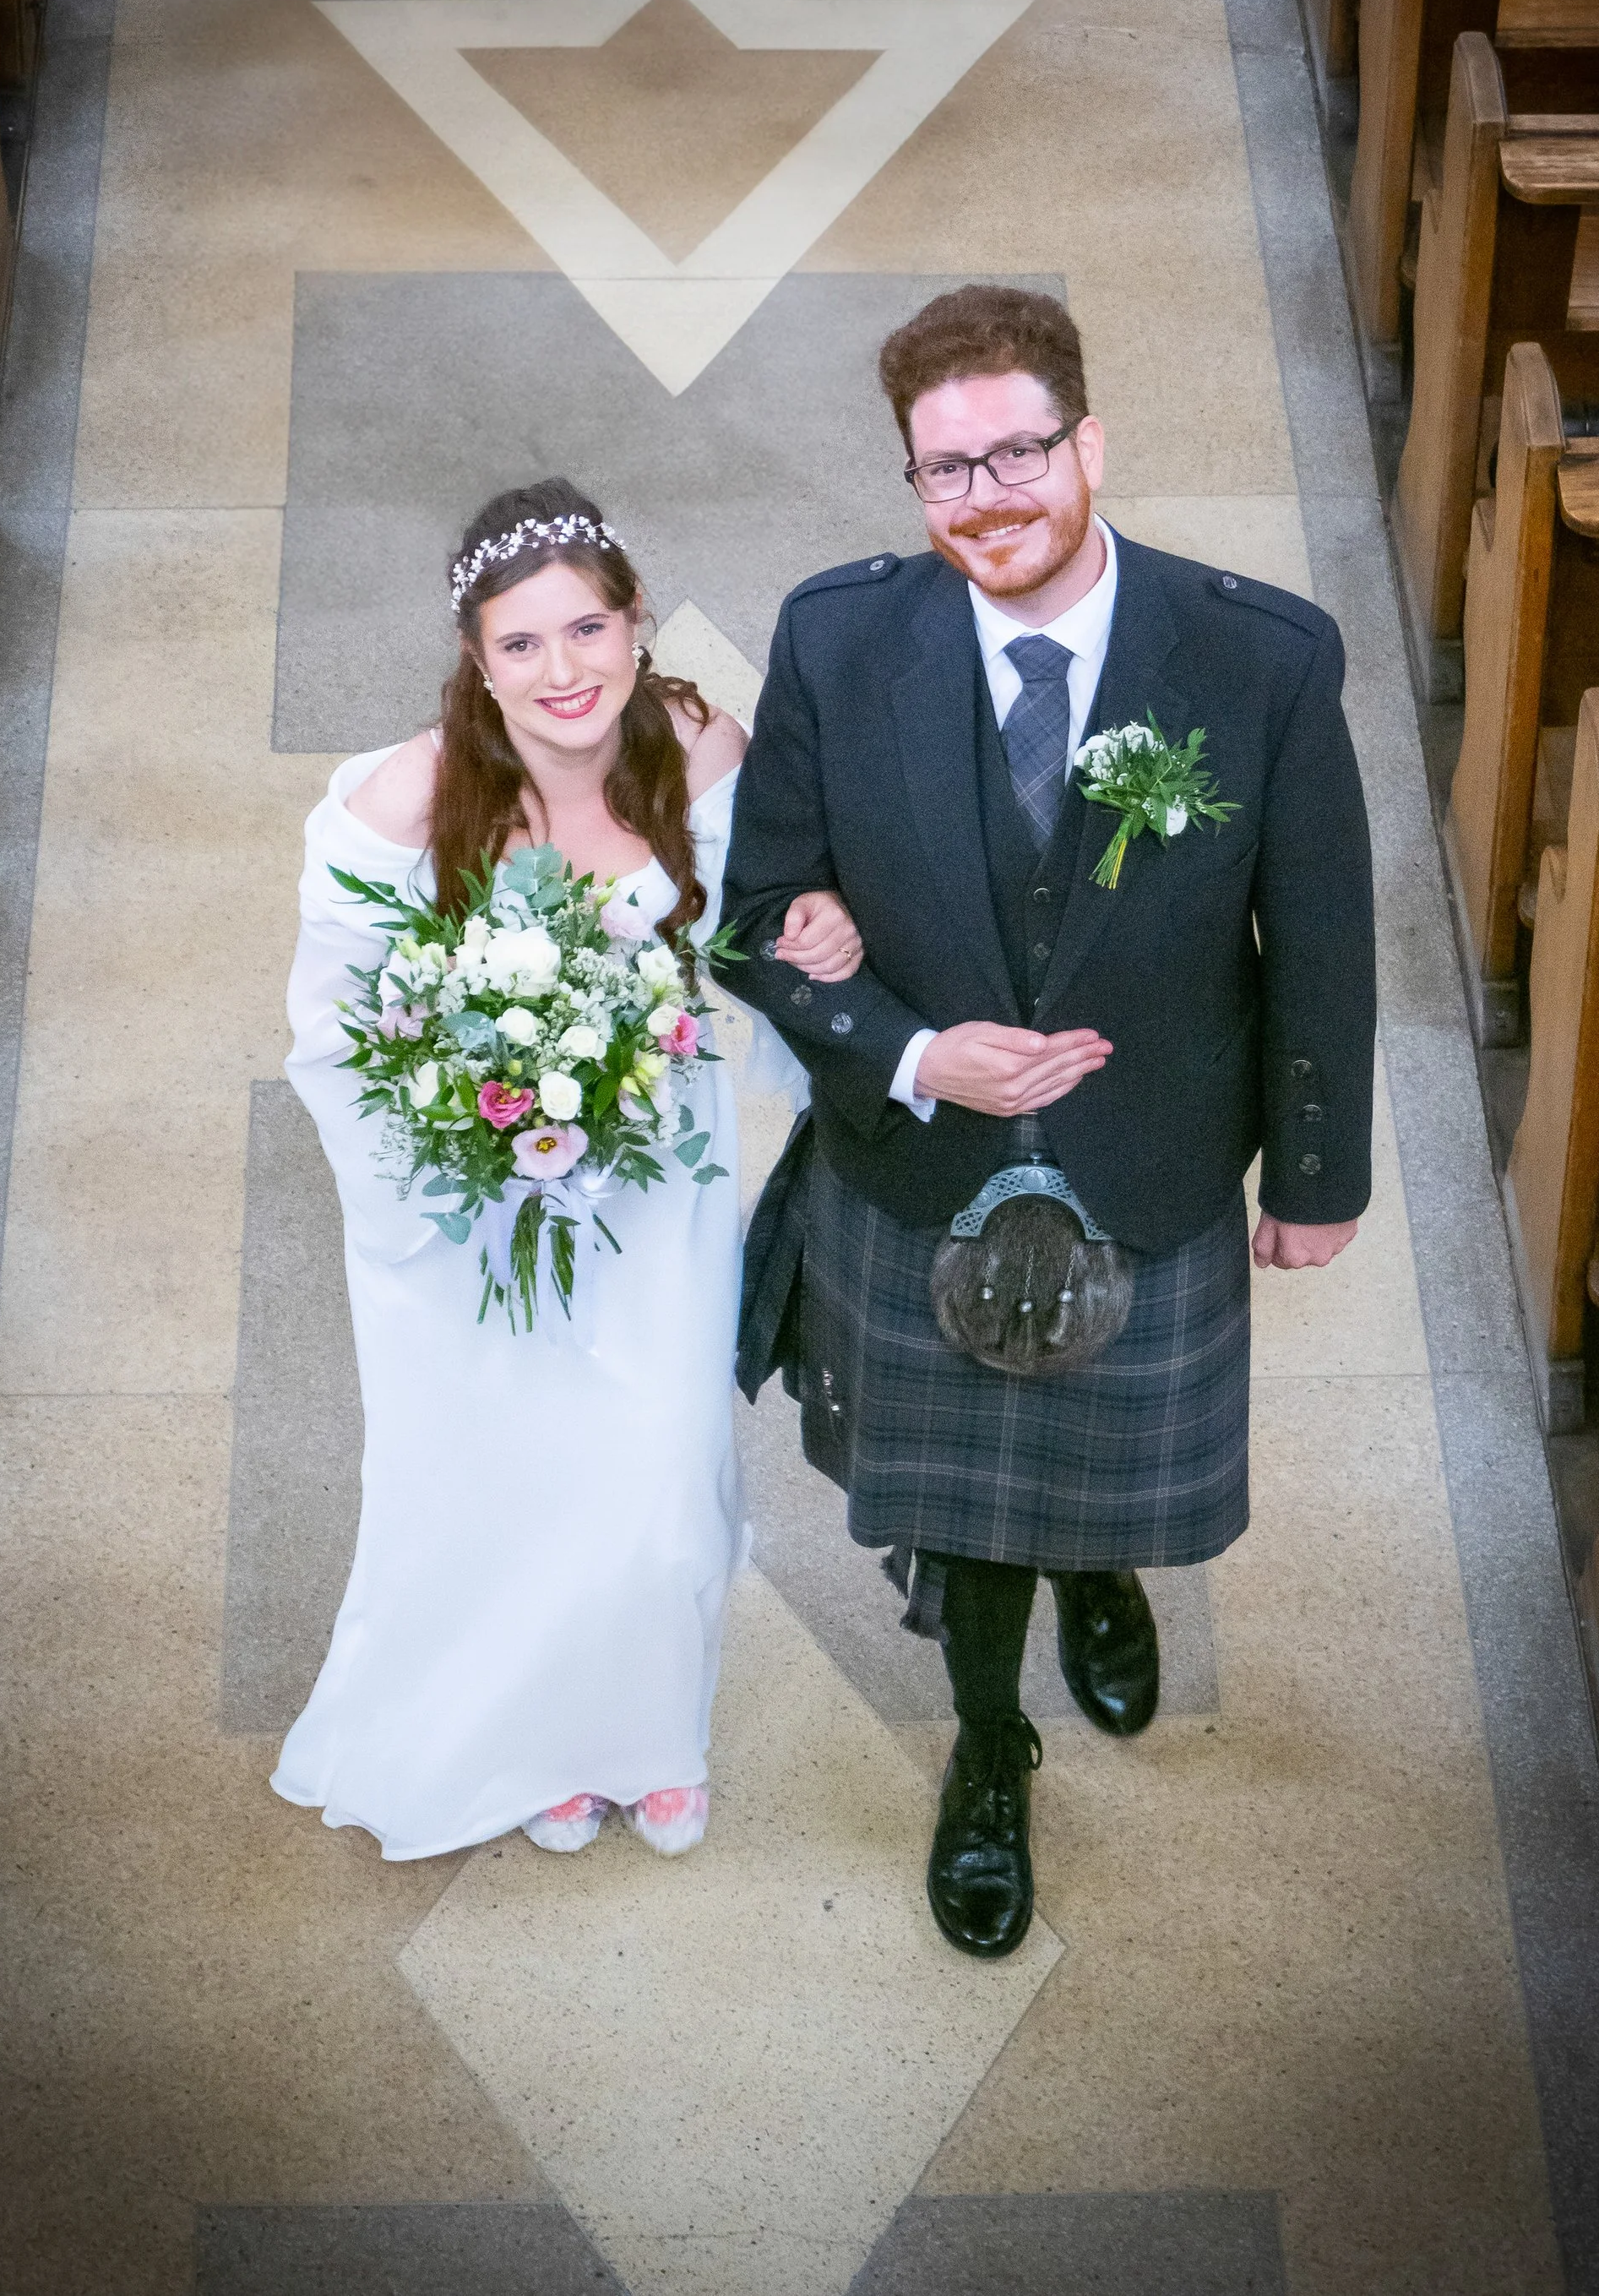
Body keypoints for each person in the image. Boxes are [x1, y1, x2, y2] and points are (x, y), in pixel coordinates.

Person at [721, 287, 1376, 1955]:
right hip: (919, 1165)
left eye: (1016, 452)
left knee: (1086, 1473)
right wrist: (915, 1048)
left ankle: (1101, 1567)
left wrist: (1314, 1170)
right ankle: (990, 1744)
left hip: (1147, 1161)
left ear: (1087, 442)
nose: (985, 498)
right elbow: (756, 914)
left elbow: (1315, 931)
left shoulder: (1257, 655)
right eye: (943, 470)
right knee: (961, 1508)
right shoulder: (835, 638)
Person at [274, 479, 862, 1862]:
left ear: (637, 621)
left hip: (658, 1167)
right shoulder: (408, 794)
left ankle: (653, 1738)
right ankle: (532, 1741)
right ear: (477, 661)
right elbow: (336, 1022)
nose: (564, 673)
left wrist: (818, 942)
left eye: (588, 630)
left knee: (657, 1468)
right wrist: (453, 1137)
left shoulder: (698, 747)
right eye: (522, 645)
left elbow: (760, 925)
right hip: (467, 1196)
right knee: (505, 1466)